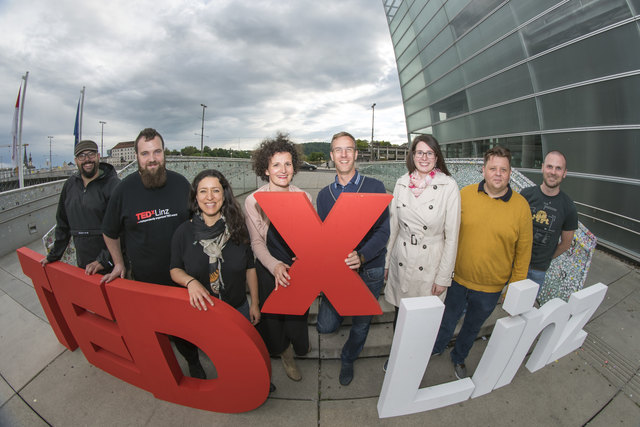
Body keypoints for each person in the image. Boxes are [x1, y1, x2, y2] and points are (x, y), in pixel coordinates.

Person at [100, 128, 199, 376]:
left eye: (157, 151)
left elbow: (196, 225)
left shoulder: (181, 184)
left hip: (183, 278)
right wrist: (119, 264)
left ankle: (193, 361)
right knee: (157, 331)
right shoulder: (123, 190)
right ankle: (164, 369)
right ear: (137, 157)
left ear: (164, 153)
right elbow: (109, 231)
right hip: (146, 282)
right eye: (145, 153)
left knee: (187, 329)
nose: (152, 158)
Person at [431, 146, 532, 379]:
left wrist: (514, 289)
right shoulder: (464, 195)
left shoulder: (521, 207)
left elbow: (523, 253)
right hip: (457, 280)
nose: (498, 173)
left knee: (471, 328)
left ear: (510, 173)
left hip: (491, 289)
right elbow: (446, 233)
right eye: (493, 168)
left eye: (503, 169)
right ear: (483, 170)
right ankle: (436, 348)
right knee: (446, 320)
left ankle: (459, 357)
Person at [315, 131, 390, 386]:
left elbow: (384, 231)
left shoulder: (374, 187)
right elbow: (323, 236)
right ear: (332, 156)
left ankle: (348, 358)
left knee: (360, 325)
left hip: (370, 269)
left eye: (349, 149)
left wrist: (363, 255)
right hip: (338, 272)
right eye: (338, 149)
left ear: (356, 154)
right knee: (325, 326)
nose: (344, 154)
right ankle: (335, 302)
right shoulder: (324, 195)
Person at [384, 135, 460, 363]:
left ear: (436, 157)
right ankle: (397, 357)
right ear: (412, 155)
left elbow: (452, 237)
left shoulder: (449, 186)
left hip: (430, 265)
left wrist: (444, 277)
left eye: (429, 153)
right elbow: (393, 227)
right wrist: (387, 263)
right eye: (419, 152)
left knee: (423, 322)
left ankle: (414, 362)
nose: (424, 157)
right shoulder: (401, 183)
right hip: (403, 258)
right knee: (400, 317)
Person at [244, 132, 311, 382]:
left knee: (297, 316)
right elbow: (256, 242)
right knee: (274, 319)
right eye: (276, 164)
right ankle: (286, 355)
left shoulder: (305, 197)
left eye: (288, 163)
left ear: (294, 166)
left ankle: (298, 344)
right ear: (266, 169)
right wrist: (274, 266)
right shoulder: (253, 201)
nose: (283, 170)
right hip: (268, 265)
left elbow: (308, 239)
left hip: (295, 267)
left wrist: (303, 258)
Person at [41, 140, 119, 274]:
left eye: (91, 154)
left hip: (111, 266)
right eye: (82, 156)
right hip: (84, 263)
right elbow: (63, 224)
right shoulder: (70, 185)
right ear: (76, 160)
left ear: (98, 156)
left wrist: (104, 260)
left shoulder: (113, 185)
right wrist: (53, 255)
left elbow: (121, 228)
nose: (87, 159)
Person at [520, 151, 578, 290]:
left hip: (537, 270)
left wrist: (545, 258)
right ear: (542, 168)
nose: (553, 172)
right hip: (514, 261)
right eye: (549, 166)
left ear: (564, 173)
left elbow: (566, 243)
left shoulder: (569, 207)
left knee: (523, 308)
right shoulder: (525, 195)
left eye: (558, 168)